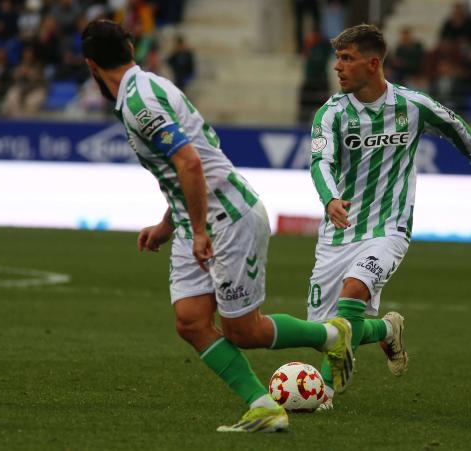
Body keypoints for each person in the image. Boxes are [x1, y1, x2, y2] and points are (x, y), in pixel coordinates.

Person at [81, 20, 354, 433]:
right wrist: (167, 225)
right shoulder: (149, 88)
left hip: (227, 217)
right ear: (132, 48)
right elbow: (190, 166)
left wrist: (200, 230)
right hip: (199, 221)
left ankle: (331, 335)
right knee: (190, 321)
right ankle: (263, 407)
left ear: (90, 65)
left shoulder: (140, 103)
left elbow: (191, 162)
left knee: (243, 330)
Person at [307, 24, 471, 409]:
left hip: (389, 228)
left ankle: (323, 391)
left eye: (347, 58)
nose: (338, 67)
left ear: (373, 63)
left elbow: (453, 124)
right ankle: (387, 328)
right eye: (337, 58)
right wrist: (330, 200)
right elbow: (319, 162)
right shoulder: (331, 114)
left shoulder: (412, 105)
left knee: (354, 292)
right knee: (326, 331)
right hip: (339, 231)